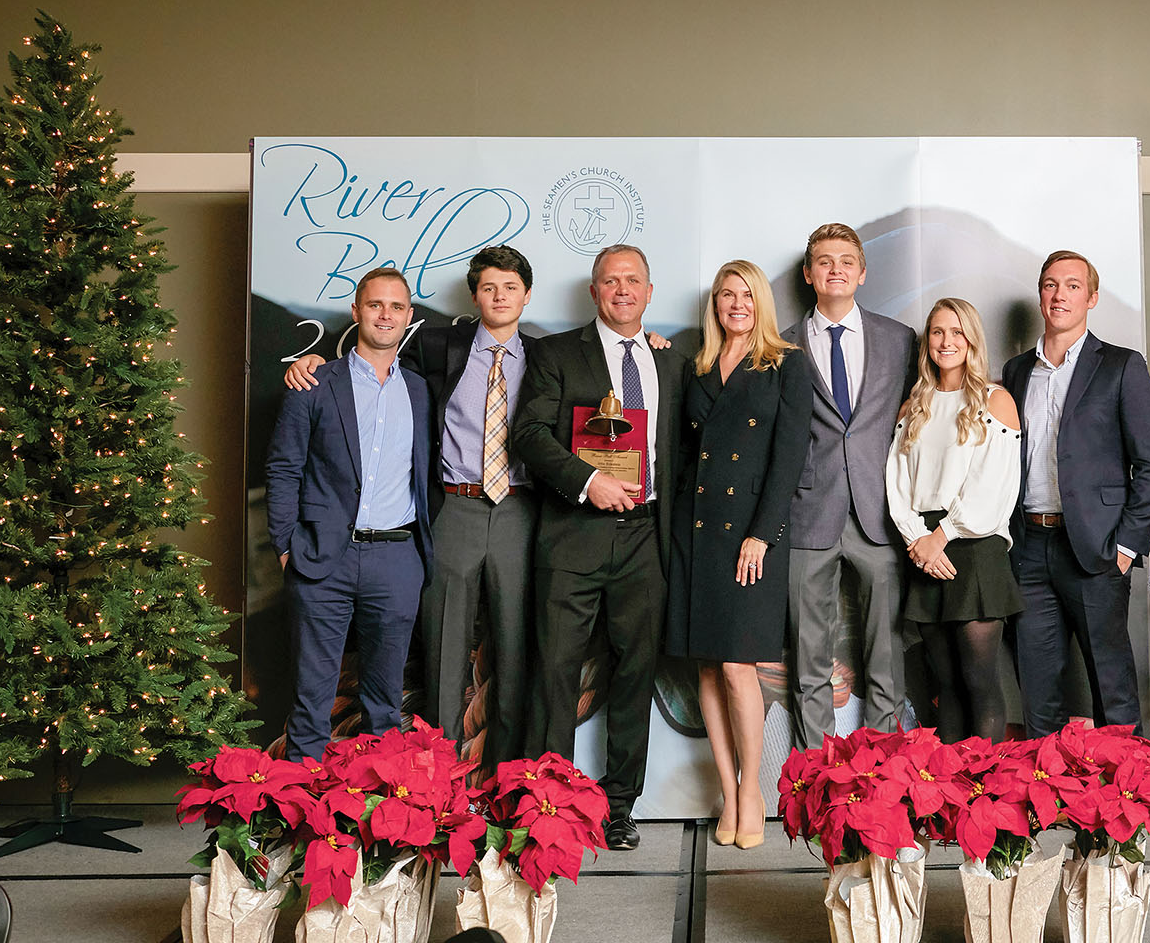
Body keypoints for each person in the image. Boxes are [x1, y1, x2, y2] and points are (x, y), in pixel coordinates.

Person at [286, 246, 539, 768]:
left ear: (526, 295)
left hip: (518, 510)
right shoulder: (437, 348)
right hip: (455, 510)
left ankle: (510, 778)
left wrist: (647, 340)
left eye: (510, 287)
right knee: (440, 654)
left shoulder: (550, 355)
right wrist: (311, 363)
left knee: (516, 651)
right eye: (489, 287)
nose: (499, 296)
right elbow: (363, 359)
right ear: (474, 296)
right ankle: (435, 778)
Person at [512, 244, 688, 850]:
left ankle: (619, 805)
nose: (621, 290)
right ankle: (548, 804)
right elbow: (529, 435)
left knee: (635, 672)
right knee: (555, 671)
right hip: (573, 533)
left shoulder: (672, 362)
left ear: (648, 289)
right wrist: (589, 482)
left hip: (647, 536)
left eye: (632, 280)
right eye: (610, 281)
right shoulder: (557, 353)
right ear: (593, 291)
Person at [665, 260, 812, 849]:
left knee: (737, 665)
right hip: (694, 532)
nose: (736, 304)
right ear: (715, 305)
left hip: (751, 534)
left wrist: (761, 534)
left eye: (746, 294)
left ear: (762, 303)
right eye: (726, 295)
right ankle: (728, 788)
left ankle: (754, 788)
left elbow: (789, 458)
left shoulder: (786, 364)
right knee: (705, 664)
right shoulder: (693, 364)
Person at [1001, 250, 1150, 737]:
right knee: (1036, 685)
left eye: (1073, 285)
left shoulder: (1121, 366)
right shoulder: (1016, 373)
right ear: (1040, 296)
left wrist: (1126, 546)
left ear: (1092, 298)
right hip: (1029, 547)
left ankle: (1127, 800)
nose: (1060, 295)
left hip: (1097, 549)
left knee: (1110, 681)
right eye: (1051, 284)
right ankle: (1047, 795)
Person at [265, 267, 433, 762]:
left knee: (386, 701)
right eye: (375, 305)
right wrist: (283, 546)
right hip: (323, 558)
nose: (386, 315)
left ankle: (383, 819)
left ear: (409, 318)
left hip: (398, 559)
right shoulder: (315, 383)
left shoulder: (421, 392)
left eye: (396, 307)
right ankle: (301, 819)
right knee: (311, 699)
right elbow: (283, 468)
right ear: (356, 311)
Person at [784, 223, 919, 748]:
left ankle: (883, 764)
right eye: (824, 260)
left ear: (862, 273)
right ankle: (815, 774)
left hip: (879, 511)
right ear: (808, 273)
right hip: (807, 512)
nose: (835, 268)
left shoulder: (899, 339)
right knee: (806, 649)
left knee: (885, 648)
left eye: (846, 260)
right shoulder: (783, 344)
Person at [885, 298, 1023, 743]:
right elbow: (897, 483)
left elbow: (994, 485)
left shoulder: (994, 401)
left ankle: (986, 797)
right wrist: (919, 540)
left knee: (979, 682)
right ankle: (949, 795)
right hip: (923, 548)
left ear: (972, 340)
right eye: (938, 333)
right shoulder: (914, 406)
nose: (947, 342)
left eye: (957, 332)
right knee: (943, 686)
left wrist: (942, 535)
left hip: (973, 547)